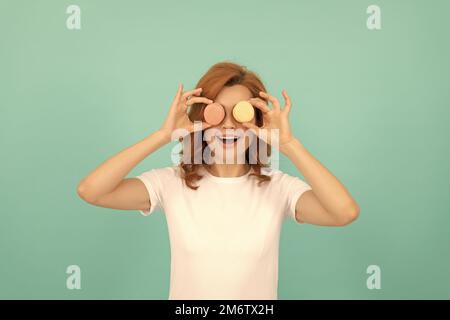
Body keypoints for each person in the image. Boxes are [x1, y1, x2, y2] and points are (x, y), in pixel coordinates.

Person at [77, 61, 360, 300]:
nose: (227, 126)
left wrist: (289, 144)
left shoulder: (278, 187)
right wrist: (163, 136)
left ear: (258, 123)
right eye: (217, 113)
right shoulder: (171, 184)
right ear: (200, 120)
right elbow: (91, 191)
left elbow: (344, 212)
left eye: (240, 114)